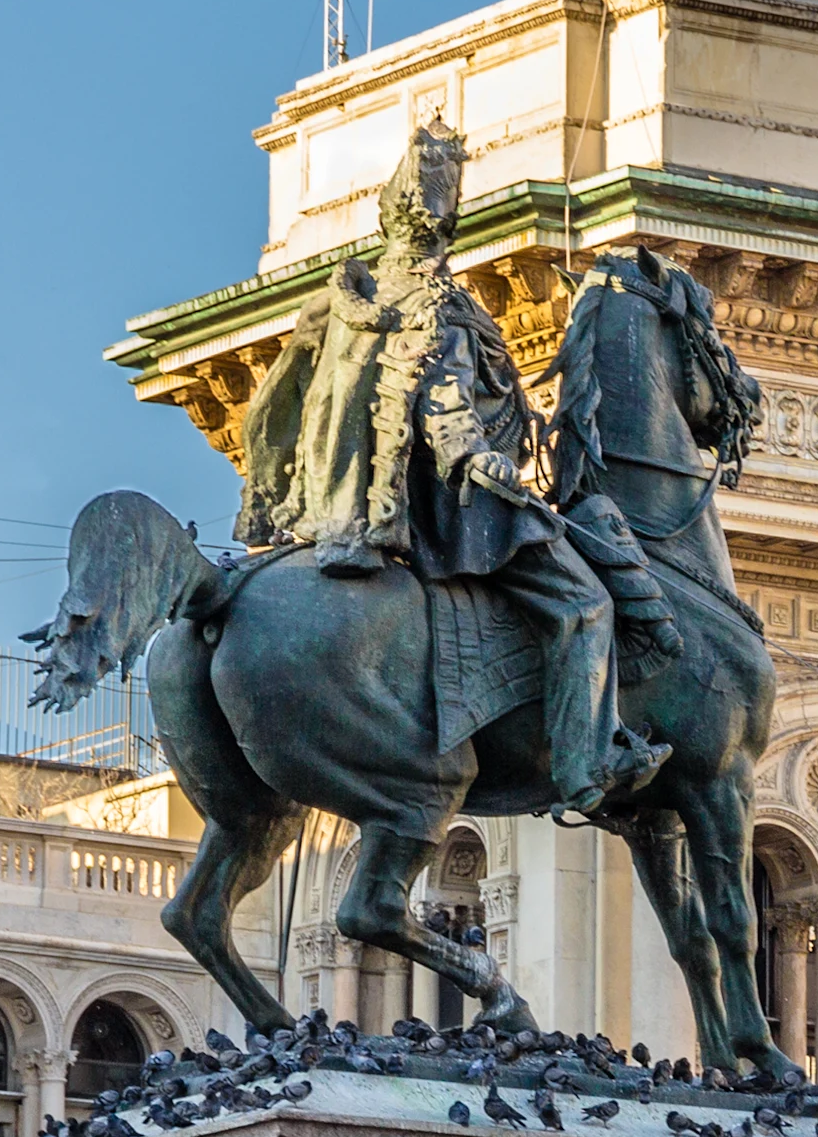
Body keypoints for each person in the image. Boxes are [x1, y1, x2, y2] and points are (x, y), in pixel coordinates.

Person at [232, 125, 667, 815]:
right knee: (584, 605)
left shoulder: (354, 296)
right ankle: (587, 763)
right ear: (445, 225)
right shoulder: (435, 304)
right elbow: (443, 396)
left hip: (372, 504)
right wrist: (478, 457)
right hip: (453, 507)